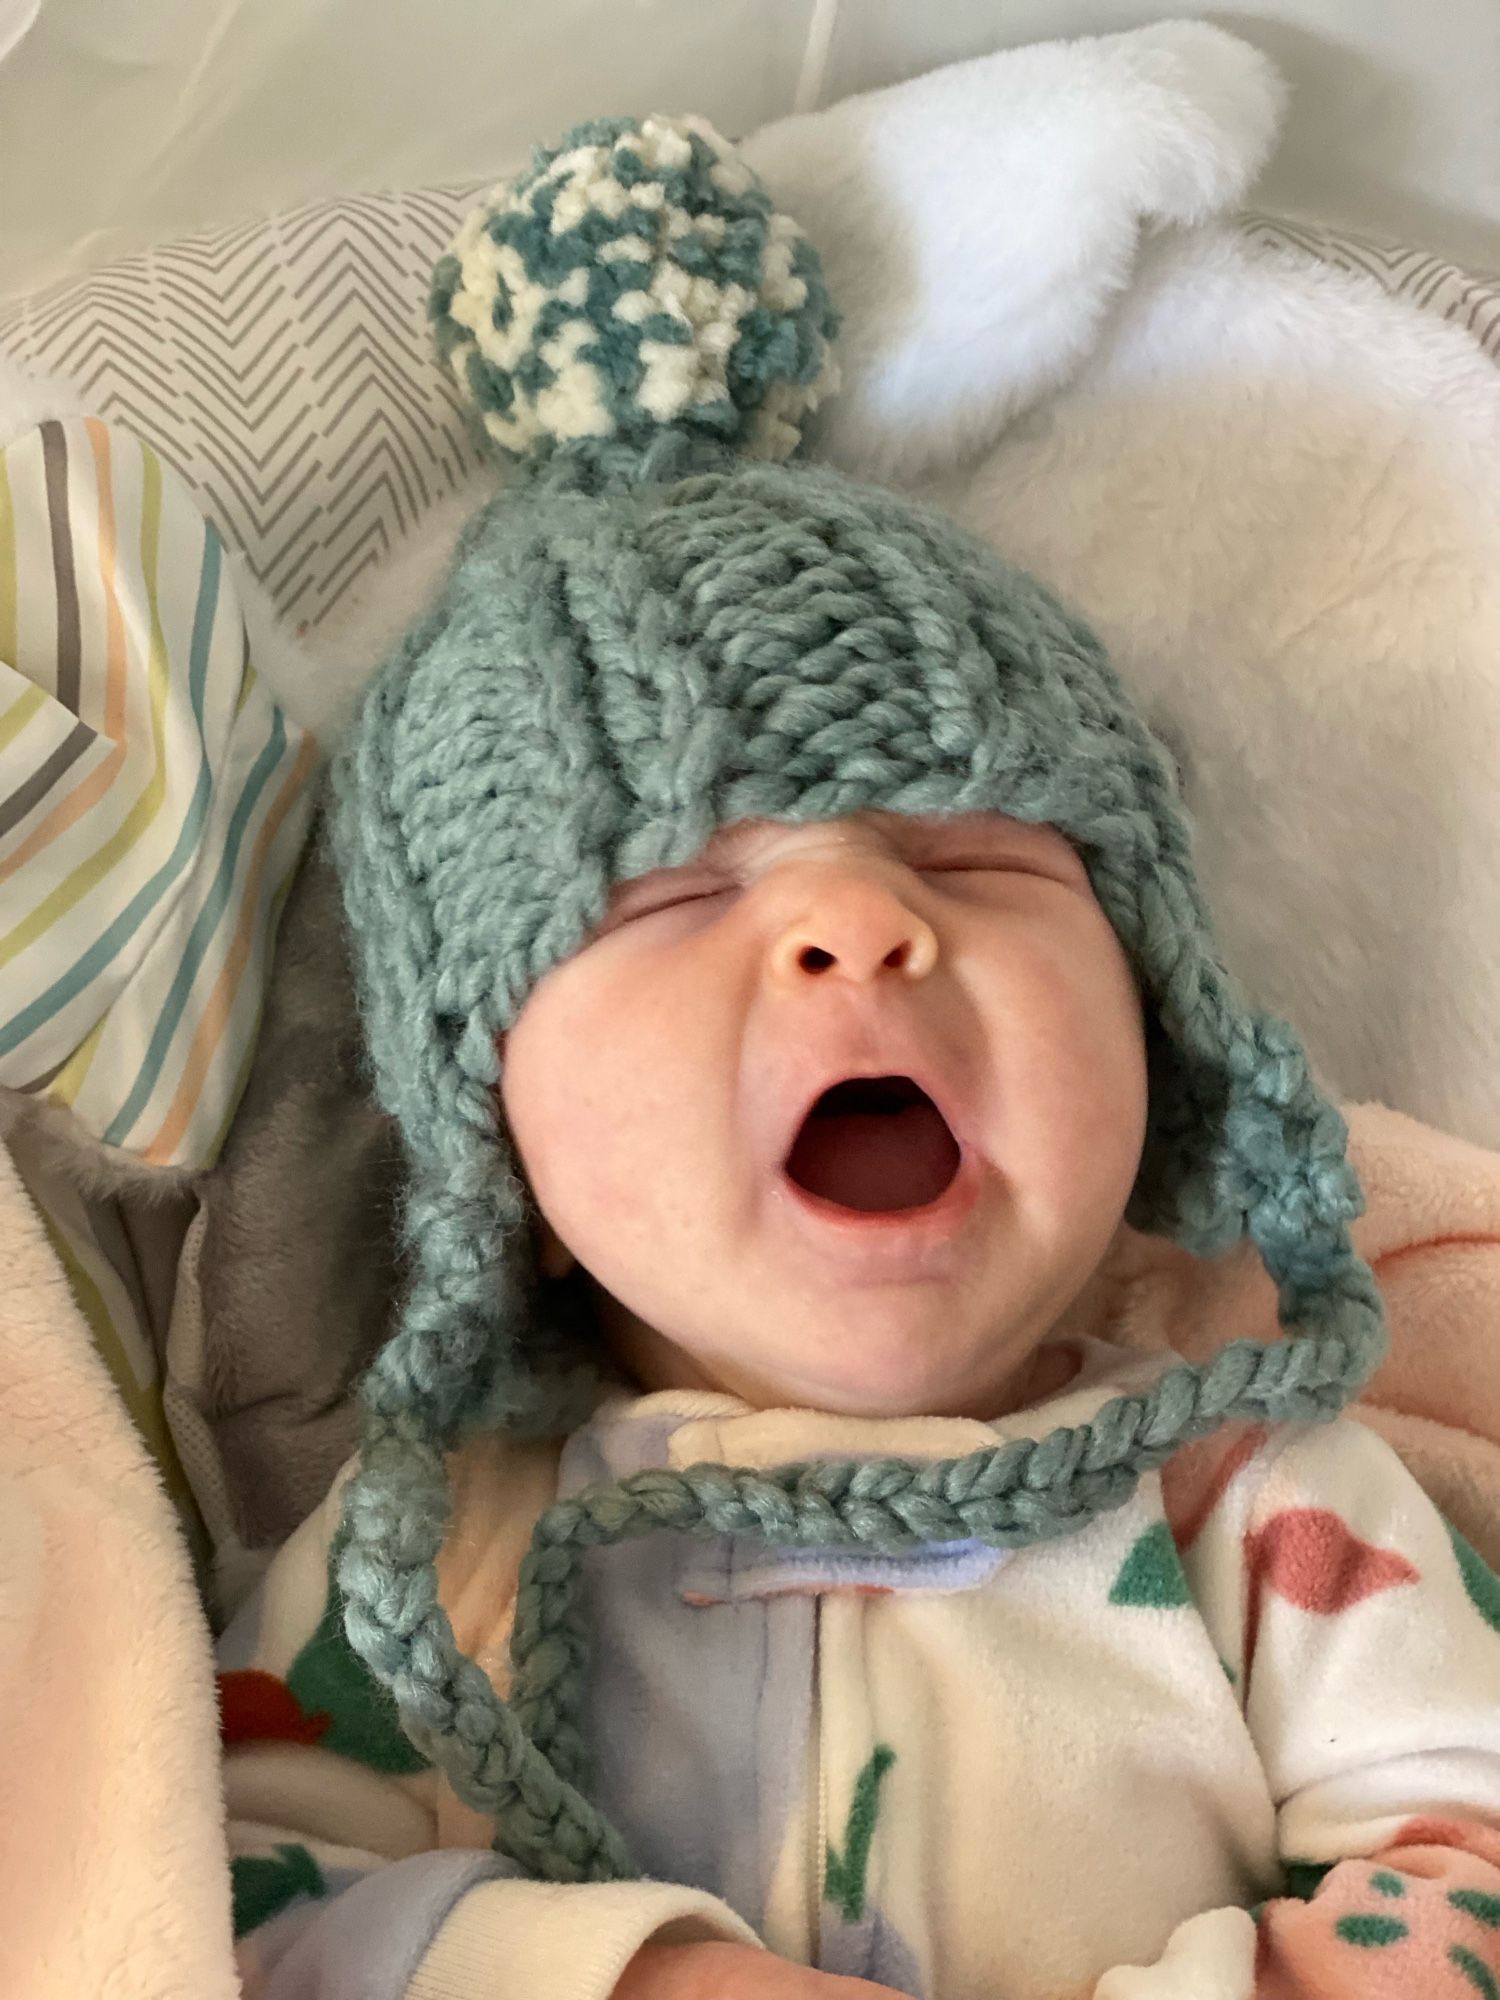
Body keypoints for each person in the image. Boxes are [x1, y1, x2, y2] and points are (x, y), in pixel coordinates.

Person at [218, 115, 1500, 2000]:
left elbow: (1460, 1832)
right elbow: (233, 1903)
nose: (857, 923)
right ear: (503, 1160)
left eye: (977, 857)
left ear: (1161, 1023)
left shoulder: (1252, 1487)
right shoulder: (437, 1551)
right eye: (665, 904)